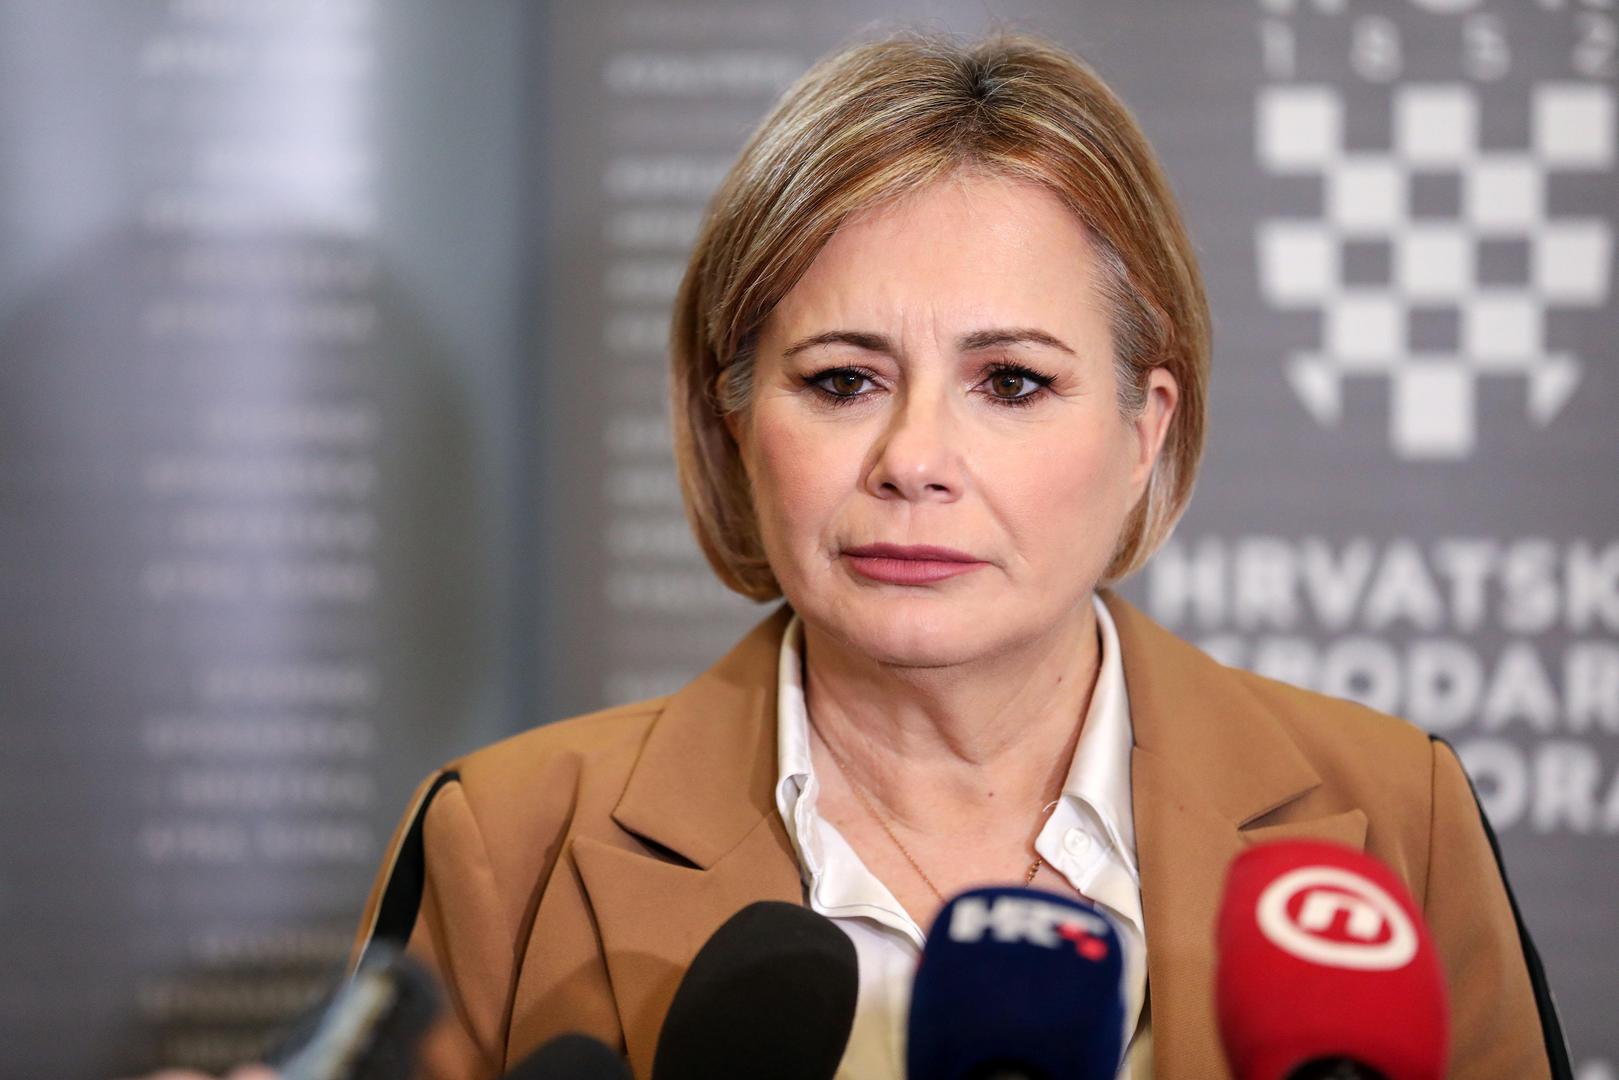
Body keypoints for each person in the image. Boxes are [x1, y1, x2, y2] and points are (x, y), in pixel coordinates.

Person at [349, 30, 1565, 1080]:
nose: (913, 459)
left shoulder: (1395, 813)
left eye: (1011, 381)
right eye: (842, 381)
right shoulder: (502, 842)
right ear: (735, 425)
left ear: (1144, 431)